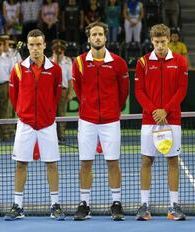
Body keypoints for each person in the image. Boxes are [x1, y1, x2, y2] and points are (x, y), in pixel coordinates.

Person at [4, 29, 65, 221]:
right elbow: (14, 97)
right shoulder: (18, 69)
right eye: (31, 45)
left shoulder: (55, 69)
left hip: (47, 124)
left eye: (39, 44)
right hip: (25, 124)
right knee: (21, 164)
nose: (35, 48)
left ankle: (55, 205)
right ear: (27, 46)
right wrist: (24, 112)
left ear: (44, 45)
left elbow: (56, 97)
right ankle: (17, 206)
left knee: (52, 165)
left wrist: (47, 113)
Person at [72, 22, 129, 221]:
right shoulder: (78, 62)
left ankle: (116, 203)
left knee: (113, 162)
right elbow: (78, 89)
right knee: (85, 163)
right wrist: (88, 107)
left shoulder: (118, 62)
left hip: (110, 120)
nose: (97, 37)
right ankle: (84, 204)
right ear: (88, 39)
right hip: (87, 120)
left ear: (106, 37)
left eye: (100, 34)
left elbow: (124, 92)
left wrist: (113, 108)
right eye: (94, 34)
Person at [134, 23, 188, 221]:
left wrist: (166, 110)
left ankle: (174, 206)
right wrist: (154, 111)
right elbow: (139, 91)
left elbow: (182, 89)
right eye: (157, 42)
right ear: (152, 41)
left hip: (172, 119)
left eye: (163, 42)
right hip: (150, 120)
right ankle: (144, 206)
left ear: (169, 40)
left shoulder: (181, 61)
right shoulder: (143, 62)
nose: (160, 46)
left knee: (172, 161)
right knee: (147, 161)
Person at [51, 39, 73, 142]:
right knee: (51, 114)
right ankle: (52, 134)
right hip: (50, 92)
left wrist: (70, 93)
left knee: (62, 114)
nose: (59, 54)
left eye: (60, 52)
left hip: (63, 91)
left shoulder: (67, 62)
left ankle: (61, 134)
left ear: (63, 52)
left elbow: (70, 80)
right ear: (53, 52)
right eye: (56, 52)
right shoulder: (48, 62)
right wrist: (54, 61)